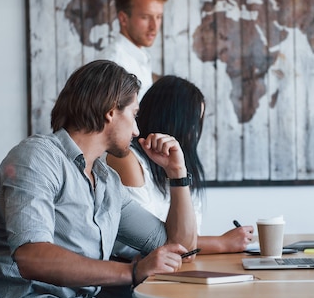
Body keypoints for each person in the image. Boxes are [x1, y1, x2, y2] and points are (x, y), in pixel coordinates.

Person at [0, 60, 236, 298]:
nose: (138, 129)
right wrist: (133, 271)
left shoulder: (107, 181)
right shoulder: (37, 157)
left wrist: (177, 173)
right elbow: (32, 256)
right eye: (134, 115)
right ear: (111, 111)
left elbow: (179, 246)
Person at [107, 75, 254, 256]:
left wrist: (178, 172)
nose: (194, 133)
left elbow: (189, 237)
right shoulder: (127, 159)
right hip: (137, 273)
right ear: (172, 119)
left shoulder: (178, 162)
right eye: (193, 124)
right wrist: (221, 243)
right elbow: (156, 243)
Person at [98, 0, 168, 100]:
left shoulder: (139, 55)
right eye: (145, 17)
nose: (154, 26)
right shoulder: (113, 64)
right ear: (123, 19)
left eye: (158, 17)